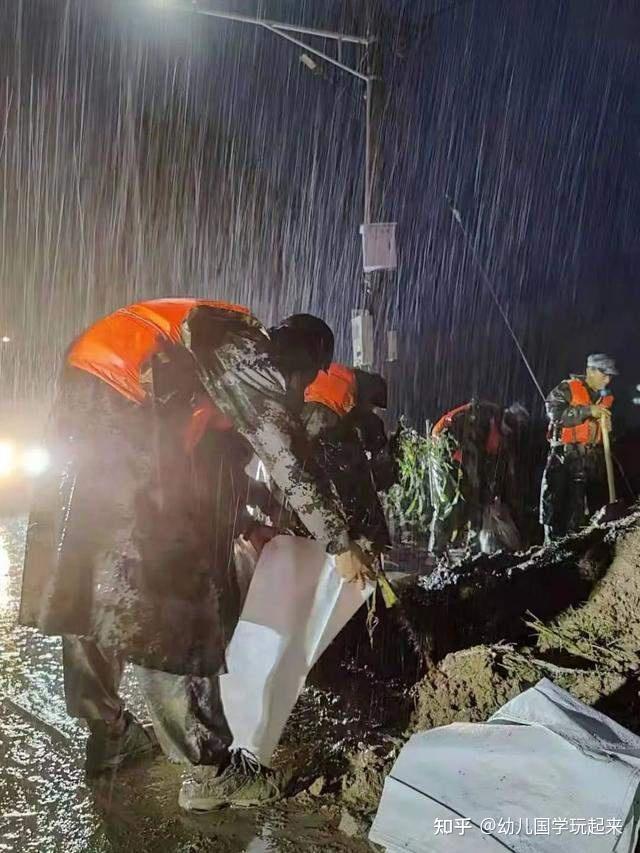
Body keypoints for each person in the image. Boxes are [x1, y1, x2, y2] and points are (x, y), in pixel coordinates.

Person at [19, 298, 373, 808]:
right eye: (304, 381)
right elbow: (283, 455)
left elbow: (210, 475)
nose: (300, 394)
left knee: (94, 585)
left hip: (86, 402)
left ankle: (109, 735)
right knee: (170, 603)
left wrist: (247, 522)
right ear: (297, 366)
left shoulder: (202, 369)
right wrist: (340, 544)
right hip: (120, 411)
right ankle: (213, 773)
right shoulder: (247, 356)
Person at [302, 364, 396, 553]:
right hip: (319, 427)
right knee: (351, 492)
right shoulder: (347, 394)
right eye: (372, 406)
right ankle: (362, 547)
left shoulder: (344, 379)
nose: (372, 410)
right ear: (369, 397)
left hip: (311, 427)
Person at [428, 399, 529, 556]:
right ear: (502, 423)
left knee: (475, 497)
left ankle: (474, 547)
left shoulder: (500, 437)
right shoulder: (481, 417)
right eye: (504, 437)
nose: (504, 442)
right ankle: (437, 549)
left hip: (466, 454)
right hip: (445, 448)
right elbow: (450, 430)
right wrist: (455, 453)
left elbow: (496, 470)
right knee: (449, 502)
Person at [540, 353, 616, 543]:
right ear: (590, 371)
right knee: (556, 511)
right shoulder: (567, 388)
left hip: (590, 464)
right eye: (604, 374)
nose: (608, 379)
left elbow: (602, 436)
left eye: (610, 376)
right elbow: (554, 413)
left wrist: (608, 429)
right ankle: (552, 553)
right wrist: (587, 411)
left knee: (583, 515)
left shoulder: (605, 399)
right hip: (564, 459)